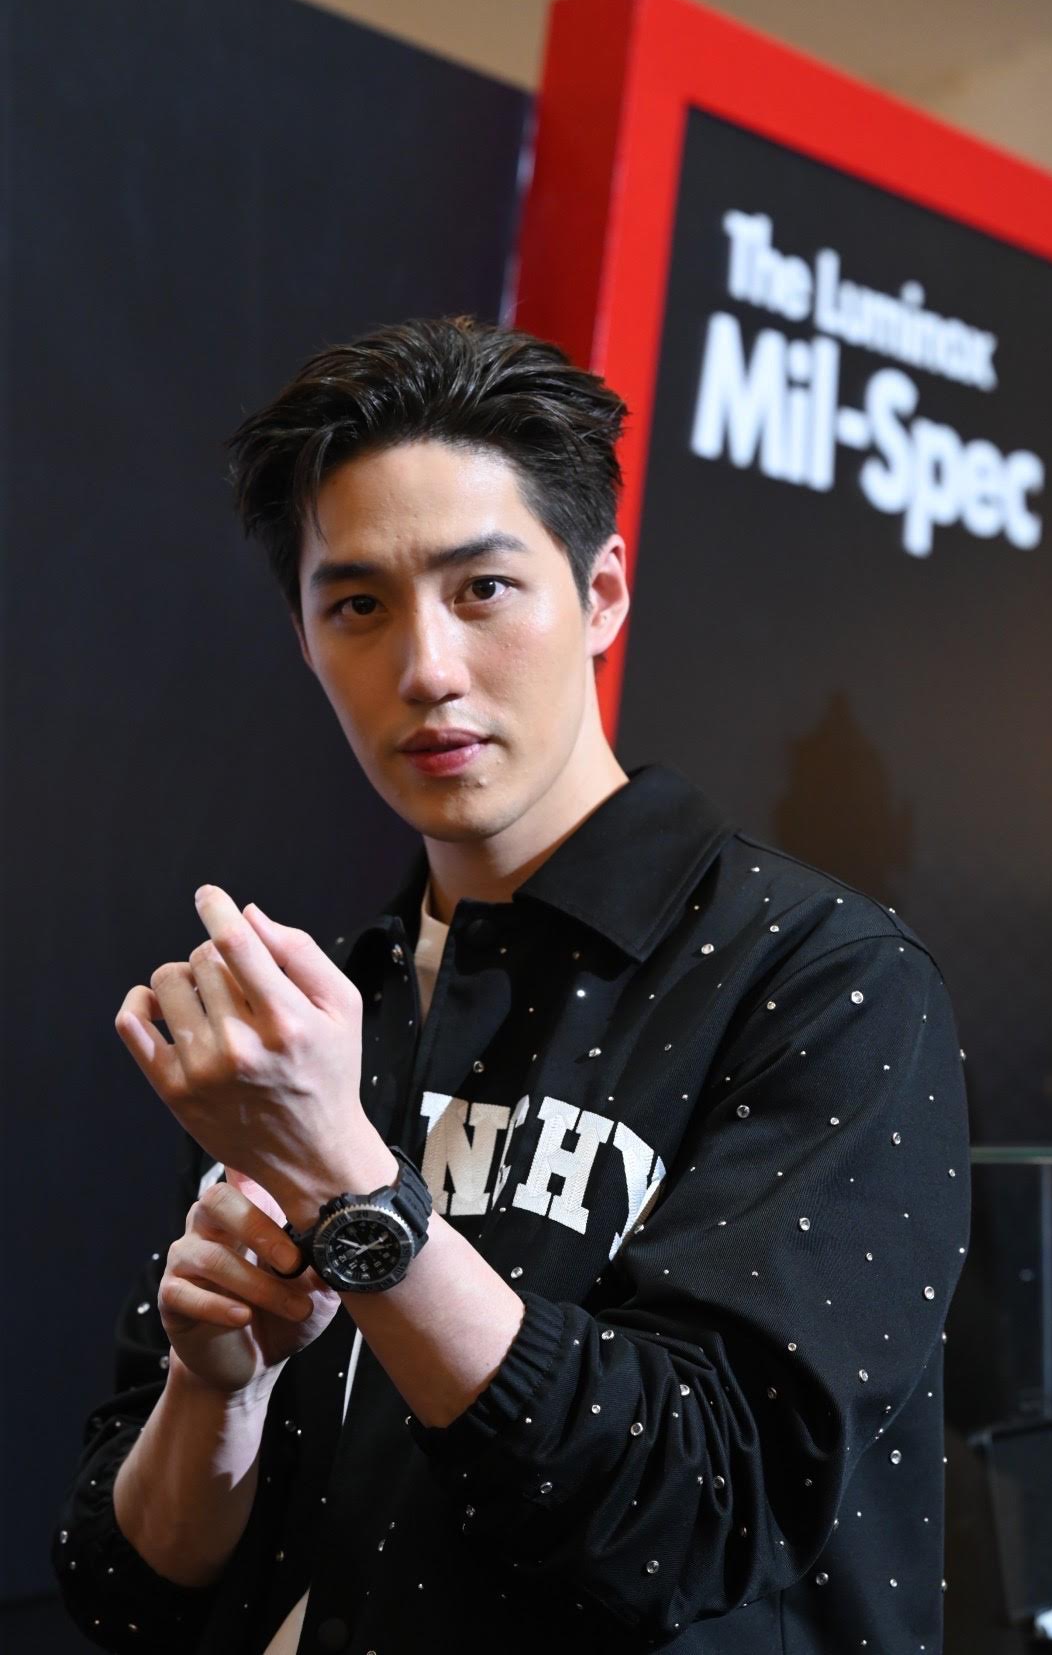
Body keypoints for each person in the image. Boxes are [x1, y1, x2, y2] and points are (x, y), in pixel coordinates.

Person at [53, 314, 971, 1654]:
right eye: (357, 606)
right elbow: (125, 1591)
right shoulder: (326, 1014)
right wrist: (215, 1391)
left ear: (600, 595)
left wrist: (353, 1188)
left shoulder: (825, 978)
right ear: (306, 639)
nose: (426, 669)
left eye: (481, 588)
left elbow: (694, 1514)